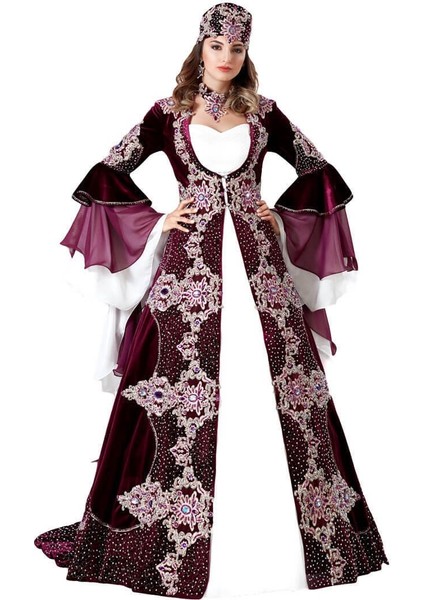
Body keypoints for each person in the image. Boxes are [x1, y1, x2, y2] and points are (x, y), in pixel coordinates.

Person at [34, 3, 389, 597]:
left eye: (237, 48)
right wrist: (158, 221)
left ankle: (285, 543)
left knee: (283, 387)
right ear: (200, 47)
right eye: (217, 45)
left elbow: (320, 173)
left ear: (247, 53)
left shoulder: (265, 113)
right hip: (187, 278)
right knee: (176, 390)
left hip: (262, 274)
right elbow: (107, 173)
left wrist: (279, 216)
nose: (226, 56)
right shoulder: (167, 113)